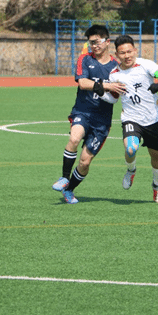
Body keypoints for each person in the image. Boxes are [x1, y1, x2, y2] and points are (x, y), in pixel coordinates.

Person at [52, 25, 125, 204]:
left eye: (97, 42)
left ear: (107, 42)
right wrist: (106, 86)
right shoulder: (85, 59)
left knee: (85, 162)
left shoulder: (117, 67)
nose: (94, 46)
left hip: (102, 121)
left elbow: (121, 90)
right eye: (91, 42)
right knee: (74, 138)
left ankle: (69, 190)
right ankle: (64, 177)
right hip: (83, 111)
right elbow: (83, 83)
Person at [100, 35, 158, 203]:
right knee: (131, 148)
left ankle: (157, 186)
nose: (127, 56)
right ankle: (131, 170)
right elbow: (113, 99)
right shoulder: (114, 74)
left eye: (129, 51)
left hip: (152, 120)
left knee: (157, 158)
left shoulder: (146, 65)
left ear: (135, 50)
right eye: (122, 53)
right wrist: (101, 94)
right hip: (131, 119)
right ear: (117, 55)